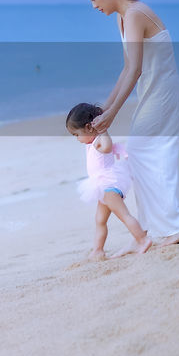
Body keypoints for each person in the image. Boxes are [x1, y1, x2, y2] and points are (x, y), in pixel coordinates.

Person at [80, 0, 179, 245]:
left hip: (163, 95)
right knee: (148, 156)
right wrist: (103, 110)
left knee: (146, 154)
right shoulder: (123, 17)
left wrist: (114, 113)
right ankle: (161, 229)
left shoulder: (134, 14)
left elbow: (136, 70)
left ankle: (173, 228)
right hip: (153, 93)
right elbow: (127, 68)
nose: (92, 6)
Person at [67, 102, 151, 260]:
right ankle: (98, 250)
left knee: (124, 215)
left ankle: (142, 240)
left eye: (76, 134)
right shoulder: (91, 142)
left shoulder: (99, 139)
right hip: (102, 187)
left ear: (89, 127)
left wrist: (103, 130)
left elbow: (107, 147)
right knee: (100, 220)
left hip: (109, 184)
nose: (77, 138)